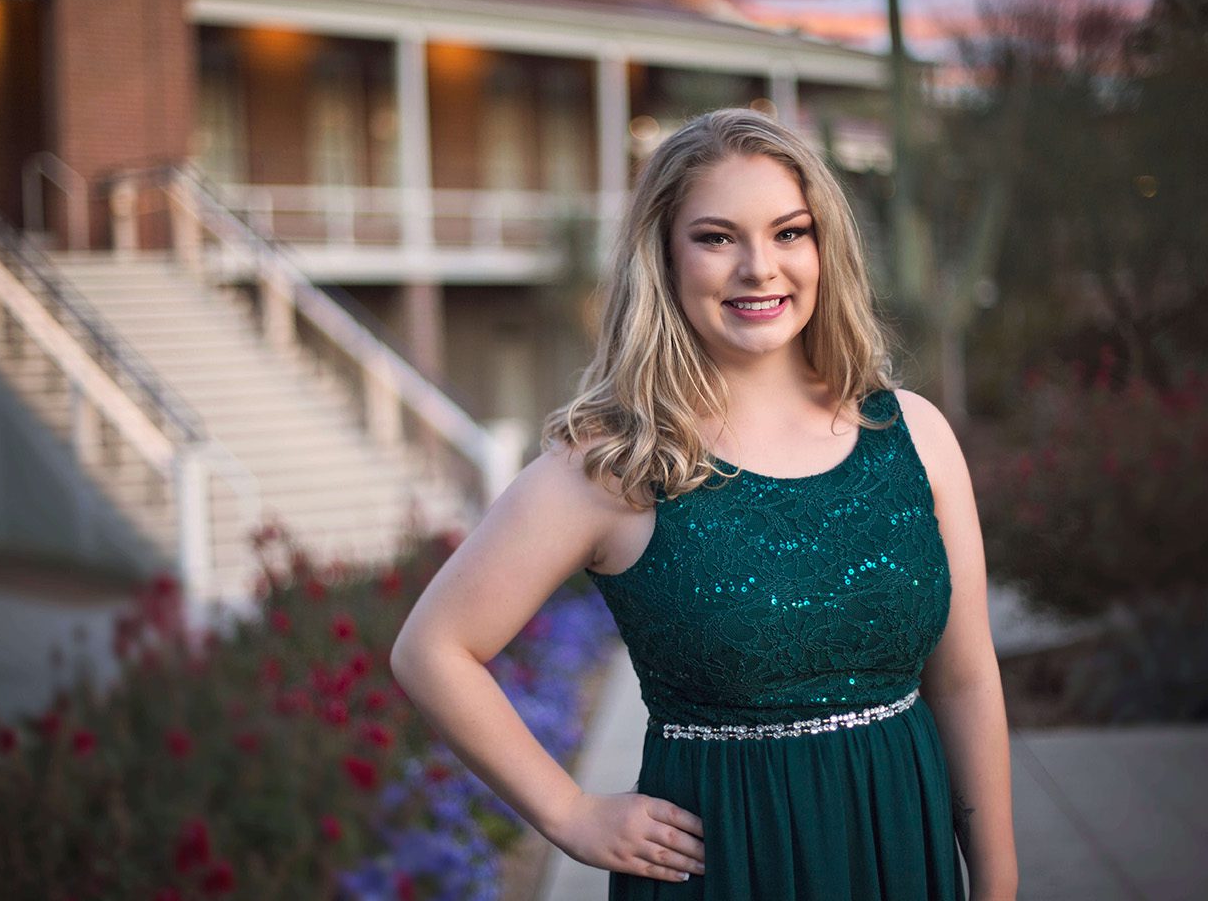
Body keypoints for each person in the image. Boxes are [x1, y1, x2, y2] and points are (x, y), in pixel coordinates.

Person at [389, 108, 1017, 899]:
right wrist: (571, 813)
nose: (760, 267)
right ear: (665, 256)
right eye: (717, 238)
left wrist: (997, 880)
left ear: (826, 246)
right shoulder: (615, 463)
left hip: (898, 849)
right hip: (725, 870)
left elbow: (963, 681)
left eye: (790, 232)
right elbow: (432, 649)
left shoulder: (913, 434)